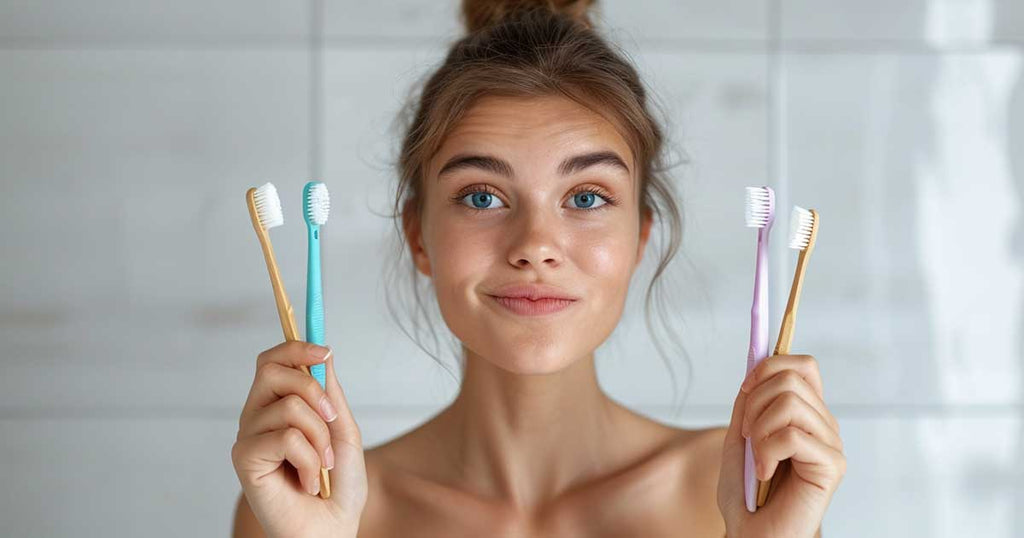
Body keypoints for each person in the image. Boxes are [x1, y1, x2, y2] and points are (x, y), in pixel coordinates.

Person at [230, 1, 846, 536]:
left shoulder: (747, 493)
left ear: (639, 237)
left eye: (585, 198)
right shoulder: (308, 502)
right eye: (481, 196)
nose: (535, 245)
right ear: (419, 236)